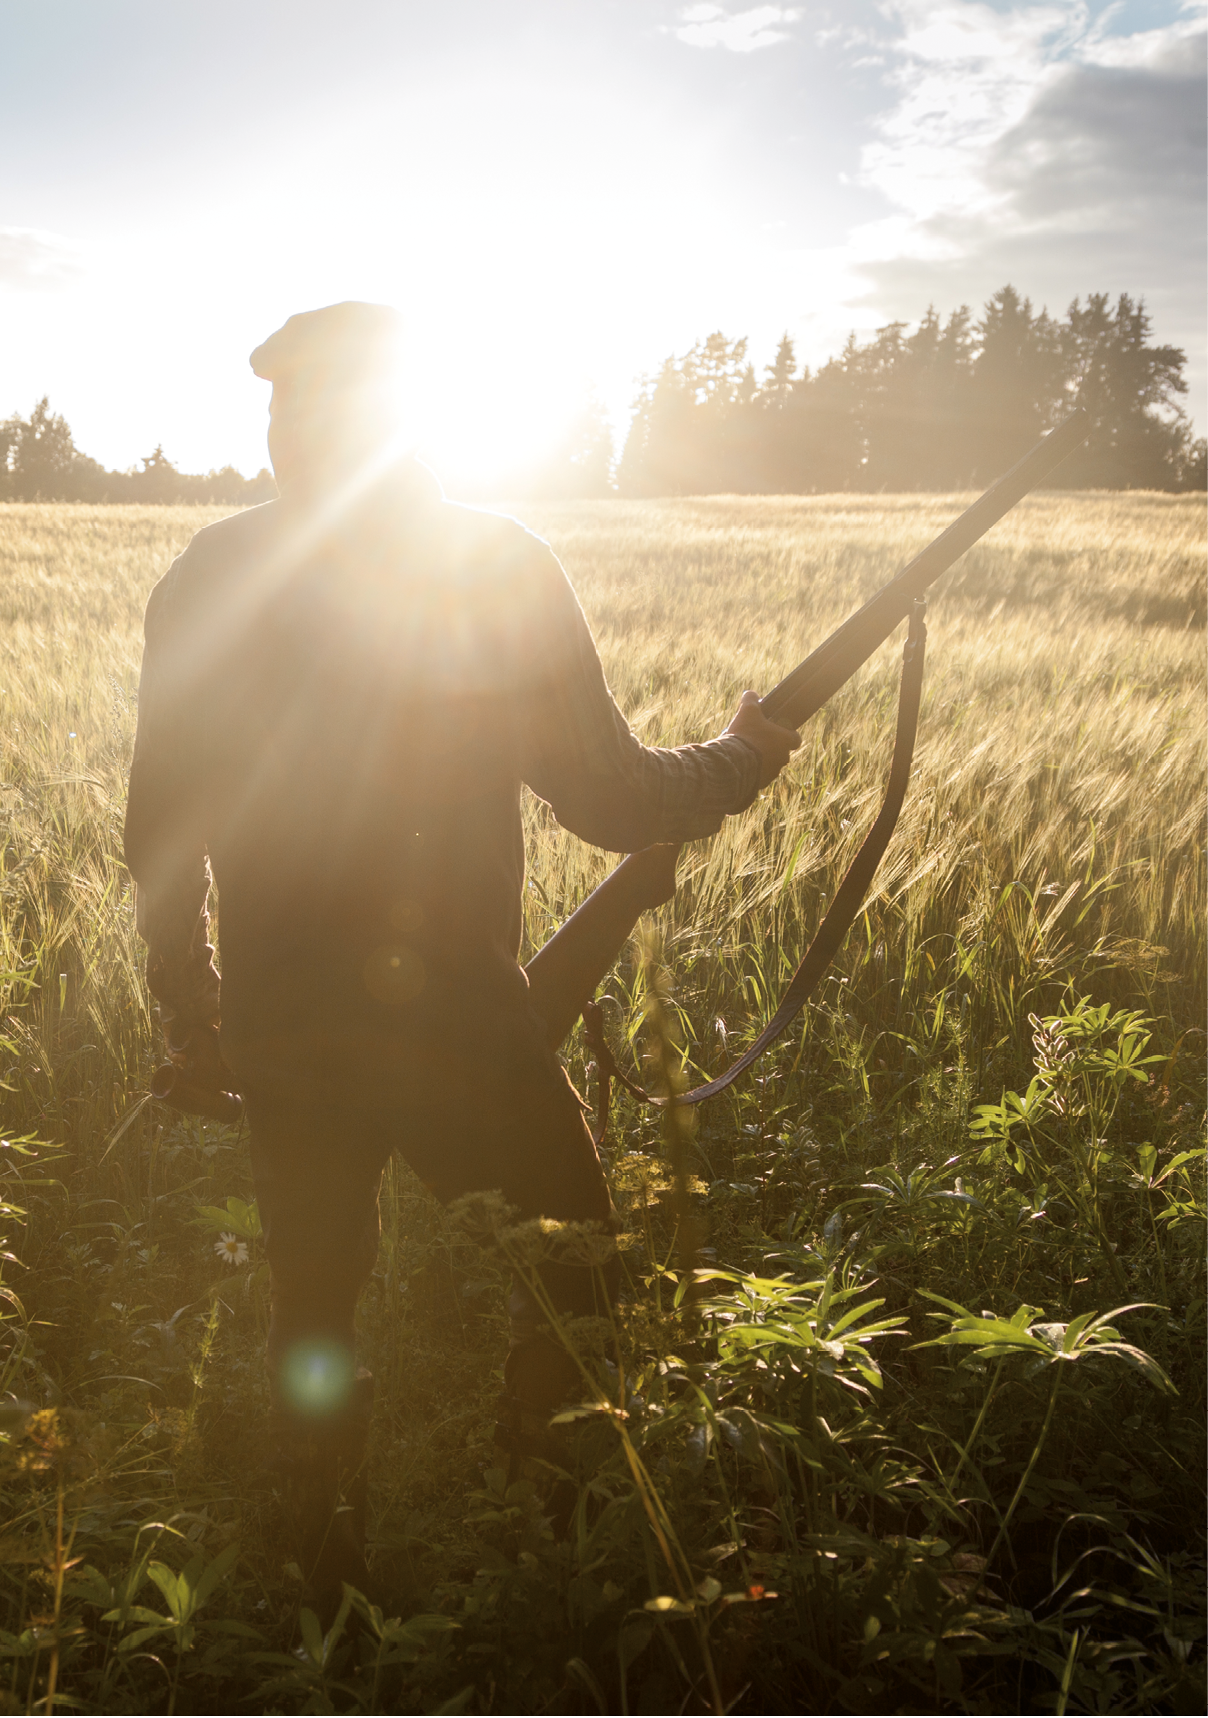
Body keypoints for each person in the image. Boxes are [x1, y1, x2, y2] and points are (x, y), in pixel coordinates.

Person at [123, 302, 800, 1609]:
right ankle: (546, 1515)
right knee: (582, 1269)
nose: (289, 430)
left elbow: (161, 829)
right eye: (280, 404)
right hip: (454, 1028)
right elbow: (614, 797)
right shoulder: (489, 566)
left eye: (310, 403)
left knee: (314, 1301)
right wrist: (740, 760)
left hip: (283, 1021)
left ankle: (324, 1580)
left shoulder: (213, 575)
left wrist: (194, 1005)